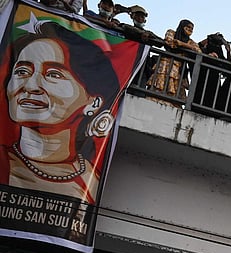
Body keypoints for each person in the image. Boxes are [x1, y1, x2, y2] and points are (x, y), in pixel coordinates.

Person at [2, 23, 124, 206]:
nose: (30, 86)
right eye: (21, 71)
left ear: (93, 102)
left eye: (53, 74)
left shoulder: (92, 182)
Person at [146, 19, 201, 102]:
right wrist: (186, 46)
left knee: (175, 88)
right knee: (159, 85)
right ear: (182, 26)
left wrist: (182, 44)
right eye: (188, 27)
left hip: (179, 67)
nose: (190, 29)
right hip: (165, 62)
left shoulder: (190, 42)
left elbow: (198, 51)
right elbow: (170, 42)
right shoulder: (172, 32)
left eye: (192, 28)